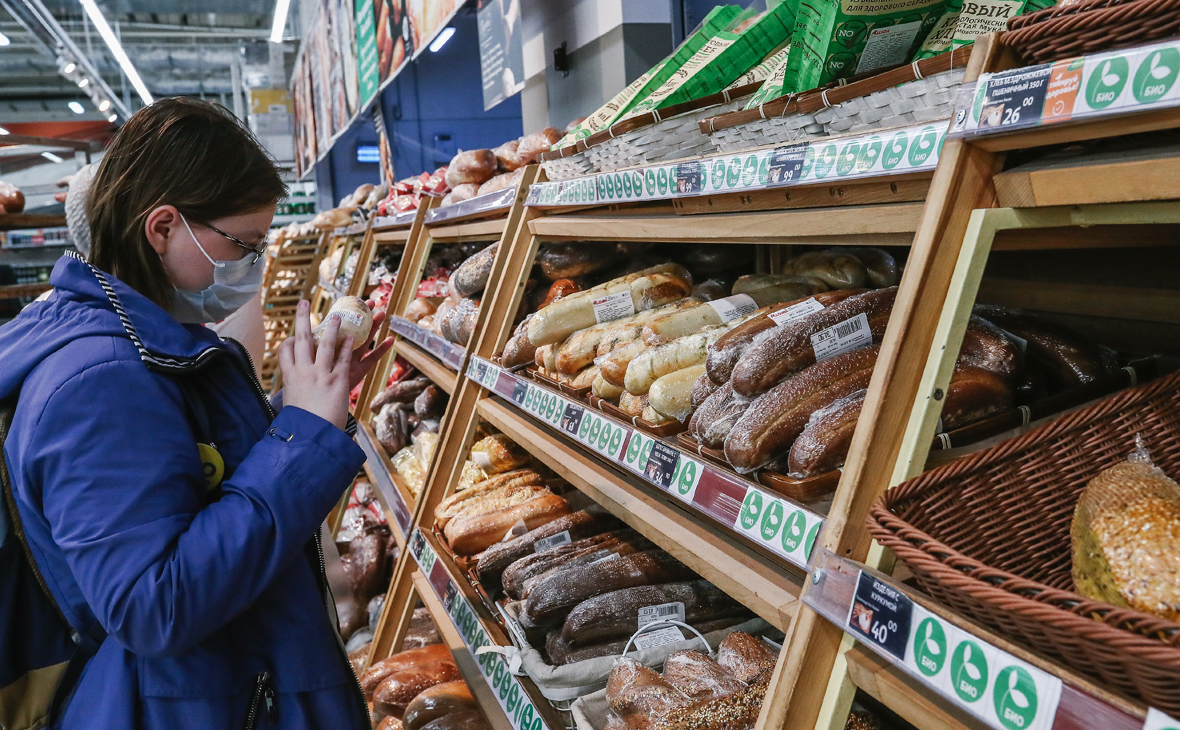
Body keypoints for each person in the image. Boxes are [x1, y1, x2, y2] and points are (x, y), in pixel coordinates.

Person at [0, 98, 392, 729]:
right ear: (162, 227)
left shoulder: (139, 343)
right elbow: (152, 604)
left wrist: (296, 406)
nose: (252, 267)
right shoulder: (99, 381)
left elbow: (184, 467)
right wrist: (303, 436)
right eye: (244, 245)